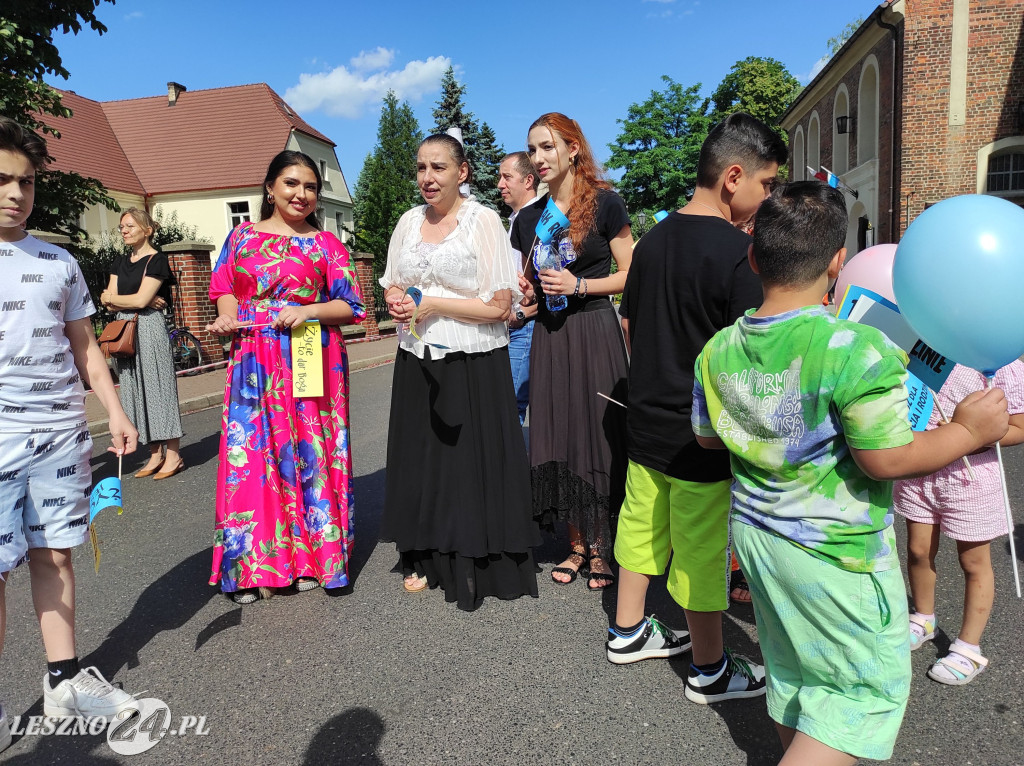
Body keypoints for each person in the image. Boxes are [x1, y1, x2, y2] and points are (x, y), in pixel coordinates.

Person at [692, 180, 1009, 765]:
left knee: (795, 673)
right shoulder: (856, 347)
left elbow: (707, 435)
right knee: (858, 695)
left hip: (758, 541)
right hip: (835, 555)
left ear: (754, 256)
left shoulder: (717, 349)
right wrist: (967, 432)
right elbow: (883, 458)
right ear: (838, 261)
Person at [607, 115, 784, 701]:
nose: (766, 198)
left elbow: (631, 323)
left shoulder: (652, 241)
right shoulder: (741, 253)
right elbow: (754, 350)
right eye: (766, 184)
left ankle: (626, 630)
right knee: (704, 550)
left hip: (645, 420)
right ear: (734, 177)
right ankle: (710, 669)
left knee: (639, 528)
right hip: (701, 435)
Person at [0, 117, 140, 749]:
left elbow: (85, 349)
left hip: (60, 432)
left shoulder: (59, 262)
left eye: (25, 182)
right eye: (2, 180)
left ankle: (63, 681)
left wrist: (114, 410)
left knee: (54, 554)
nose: (14, 193)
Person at [379, 133, 540, 611]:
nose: (428, 178)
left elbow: (497, 306)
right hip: (416, 356)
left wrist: (430, 302)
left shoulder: (483, 220)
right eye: (421, 168)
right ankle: (424, 555)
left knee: (468, 466)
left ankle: (471, 561)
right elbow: (394, 286)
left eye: (439, 168)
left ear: (462, 172)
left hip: (472, 359)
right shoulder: (407, 222)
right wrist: (396, 301)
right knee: (423, 462)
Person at [206, 150, 365, 604]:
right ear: (270, 188)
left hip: (311, 355)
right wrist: (226, 318)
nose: (302, 194)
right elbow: (223, 291)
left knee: (310, 455)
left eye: (311, 187)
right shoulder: (240, 238)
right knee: (253, 455)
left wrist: (307, 310)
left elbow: (351, 306)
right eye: (292, 184)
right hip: (253, 360)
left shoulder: (327, 245)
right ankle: (253, 567)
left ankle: (314, 559)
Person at [511, 113, 631, 590]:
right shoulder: (527, 219)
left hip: (594, 329)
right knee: (559, 433)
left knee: (597, 434)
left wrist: (582, 284)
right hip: (551, 334)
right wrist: (527, 296)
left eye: (547, 147)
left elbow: (631, 271)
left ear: (573, 148)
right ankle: (576, 544)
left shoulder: (605, 203)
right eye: (533, 150)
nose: (538, 159)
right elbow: (532, 290)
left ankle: (604, 545)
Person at [893, 361, 1024, 685]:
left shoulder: (997, 362)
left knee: (974, 562)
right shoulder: (917, 350)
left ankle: (968, 646)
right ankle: (923, 619)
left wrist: (967, 434)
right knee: (918, 550)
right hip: (920, 469)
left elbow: (1020, 425)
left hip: (972, 477)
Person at [100, 208, 184, 479]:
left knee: (159, 388)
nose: (124, 230)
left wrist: (132, 299)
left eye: (130, 226)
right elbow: (106, 301)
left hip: (149, 328)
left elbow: (128, 300)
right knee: (134, 390)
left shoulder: (157, 260)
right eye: (121, 227)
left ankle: (173, 454)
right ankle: (154, 453)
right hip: (123, 329)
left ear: (147, 230)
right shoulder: (118, 262)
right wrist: (139, 298)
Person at [497, 152, 541, 425]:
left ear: (527, 180)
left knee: (511, 403)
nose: (500, 184)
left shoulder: (537, 221)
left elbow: (546, 283)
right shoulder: (516, 219)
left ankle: (509, 466)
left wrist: (522, 314)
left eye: (506, 177)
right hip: (511, 325)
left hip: (524, 326)